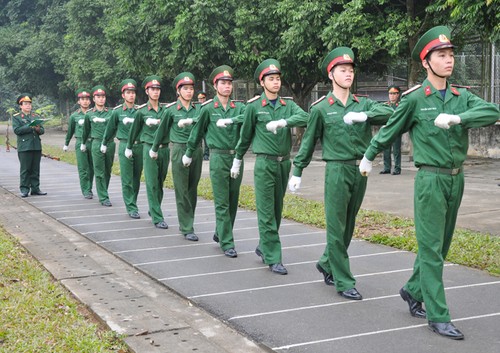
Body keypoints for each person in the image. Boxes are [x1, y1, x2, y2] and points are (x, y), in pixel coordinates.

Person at [359, 26, 499, 339]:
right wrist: (369, 156)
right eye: (441, 55)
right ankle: (438, 315)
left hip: (456, 179)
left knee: (441, 246)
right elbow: (390, 130)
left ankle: (412, 290)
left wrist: (459, 119)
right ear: (426, 62)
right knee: (432, 249)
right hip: (430, 181)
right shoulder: (414, 100)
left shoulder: (461, 97)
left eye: (450, 55)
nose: (449, 60)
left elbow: (492, 111)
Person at [289, 48, 392, 299]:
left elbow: (391, 113)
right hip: (336, 169)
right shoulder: (321, 108)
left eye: (351, 70)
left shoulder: (363, 103)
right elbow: (308, 142)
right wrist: (297, 170)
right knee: (336, 226)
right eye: (343, 70)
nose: (348, 74)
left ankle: (326, 263)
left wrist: (365, 114)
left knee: (348, 224)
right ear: (331, 75)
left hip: (360, 169)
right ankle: (343, 281)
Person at [231, 59, 309, 274]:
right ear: (262, 82)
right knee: (266, 212)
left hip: (283, 163)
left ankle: (264, 245)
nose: (276, 82)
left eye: (277, 78)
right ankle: (274, 257)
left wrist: (285, 122)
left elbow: (305, 117)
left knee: (276, 209)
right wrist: (237, 159)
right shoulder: (254, 107)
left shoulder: (288, 105)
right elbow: (245, 136)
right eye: (271, 79)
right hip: (264, 163)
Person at [182, 65, 245, 257]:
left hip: (235, 157)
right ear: (215, 86)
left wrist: (233, 121)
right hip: (218, 157)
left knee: (233, 200)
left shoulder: (239, 108)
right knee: (222, 201)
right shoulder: (208, 108)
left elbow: (248, 118)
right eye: (223, 83)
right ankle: (227, 242)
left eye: (229, 83)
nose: (227, 86)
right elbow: (197, 131)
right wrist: (189, 152)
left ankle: (220, 232)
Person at [152, 72, 201, 241]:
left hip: (196, 151)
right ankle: (186, 226)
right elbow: (161, 131)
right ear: (178, 91)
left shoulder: (200, 109)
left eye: (191, 89)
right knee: (182, 189)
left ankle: (189, 219)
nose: (189, 92)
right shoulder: (171, 110)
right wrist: (154, 148)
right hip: (180, 150)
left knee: (192, 188)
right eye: (185, 89)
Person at [126, 75, 169, 229]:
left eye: (157, 89)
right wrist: (129, 147)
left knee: (160, 182)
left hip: (164, 149)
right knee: (151, 183)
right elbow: (133, 131)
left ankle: (153, 208)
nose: (156, 92)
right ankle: (157, 217)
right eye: (152, 89)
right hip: (149, 149)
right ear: (147, 91)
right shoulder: (141, 112)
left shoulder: (166, 111)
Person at [102, 79, 143, 219]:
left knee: (137, 177)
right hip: (125, 145)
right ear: (123, 95)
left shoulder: (140, 110)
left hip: (139, 146)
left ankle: (134, 202)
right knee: (127, 179)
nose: (131, 95)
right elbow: (110, 129)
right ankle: (131, 207)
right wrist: (104, 143)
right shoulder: (117, 112)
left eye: (133, 93)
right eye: (128, 93)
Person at [81, 85, 114, 207]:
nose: (101, 99)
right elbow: (85, 131)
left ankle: (103, 190)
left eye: (103, 97)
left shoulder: (111, 112)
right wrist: (83, 143)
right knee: (99, 171)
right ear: (94, 99)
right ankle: (103, 196)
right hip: (96, 143)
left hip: (110, 143)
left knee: (107, 171)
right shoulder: (89, 114)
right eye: (98, 97)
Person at [12, 94, 46, 197]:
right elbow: (17, 130)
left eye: (29, 104)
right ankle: (24, 189)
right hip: (24, 146)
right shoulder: (17, 117)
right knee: (25, 169)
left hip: (36, 146)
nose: (28, 106)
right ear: (20, 106)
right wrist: (30, 126)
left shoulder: (35, 116)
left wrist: (37, 128)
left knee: (35, 169)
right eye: (25, 104)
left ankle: (35, 189)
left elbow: (42, 130)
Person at [63, 88, 94, 199]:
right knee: (83, 167)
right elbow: (70, 131)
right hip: (80, 142)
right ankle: (86, 190)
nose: (85, 101)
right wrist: (66, 143)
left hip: (93, 142)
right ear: (78, 102)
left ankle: (89, 187)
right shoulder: (74, 116)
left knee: (92, 168)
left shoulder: (94, 113)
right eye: (82, 99)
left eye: (87, 99)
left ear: (90, 101)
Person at [380, 85, 402, 175]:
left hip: (396, 130)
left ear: (398, 94)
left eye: (394, 93)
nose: (392, 96)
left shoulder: (401, 105)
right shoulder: (385, 105)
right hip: (386, 130)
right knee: (386, 150)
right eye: (390, 93)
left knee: (396, 150)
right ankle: (387, 168)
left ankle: (397, 168)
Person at [197, 91, 210, 160]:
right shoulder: (196, 106)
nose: (201, 100)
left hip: (206, 127)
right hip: (199, 126)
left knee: (206, 142)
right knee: (198, 141)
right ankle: (200, 154)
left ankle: (206, 155)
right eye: (199, 98)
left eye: (203, 98)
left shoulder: (208, 106)